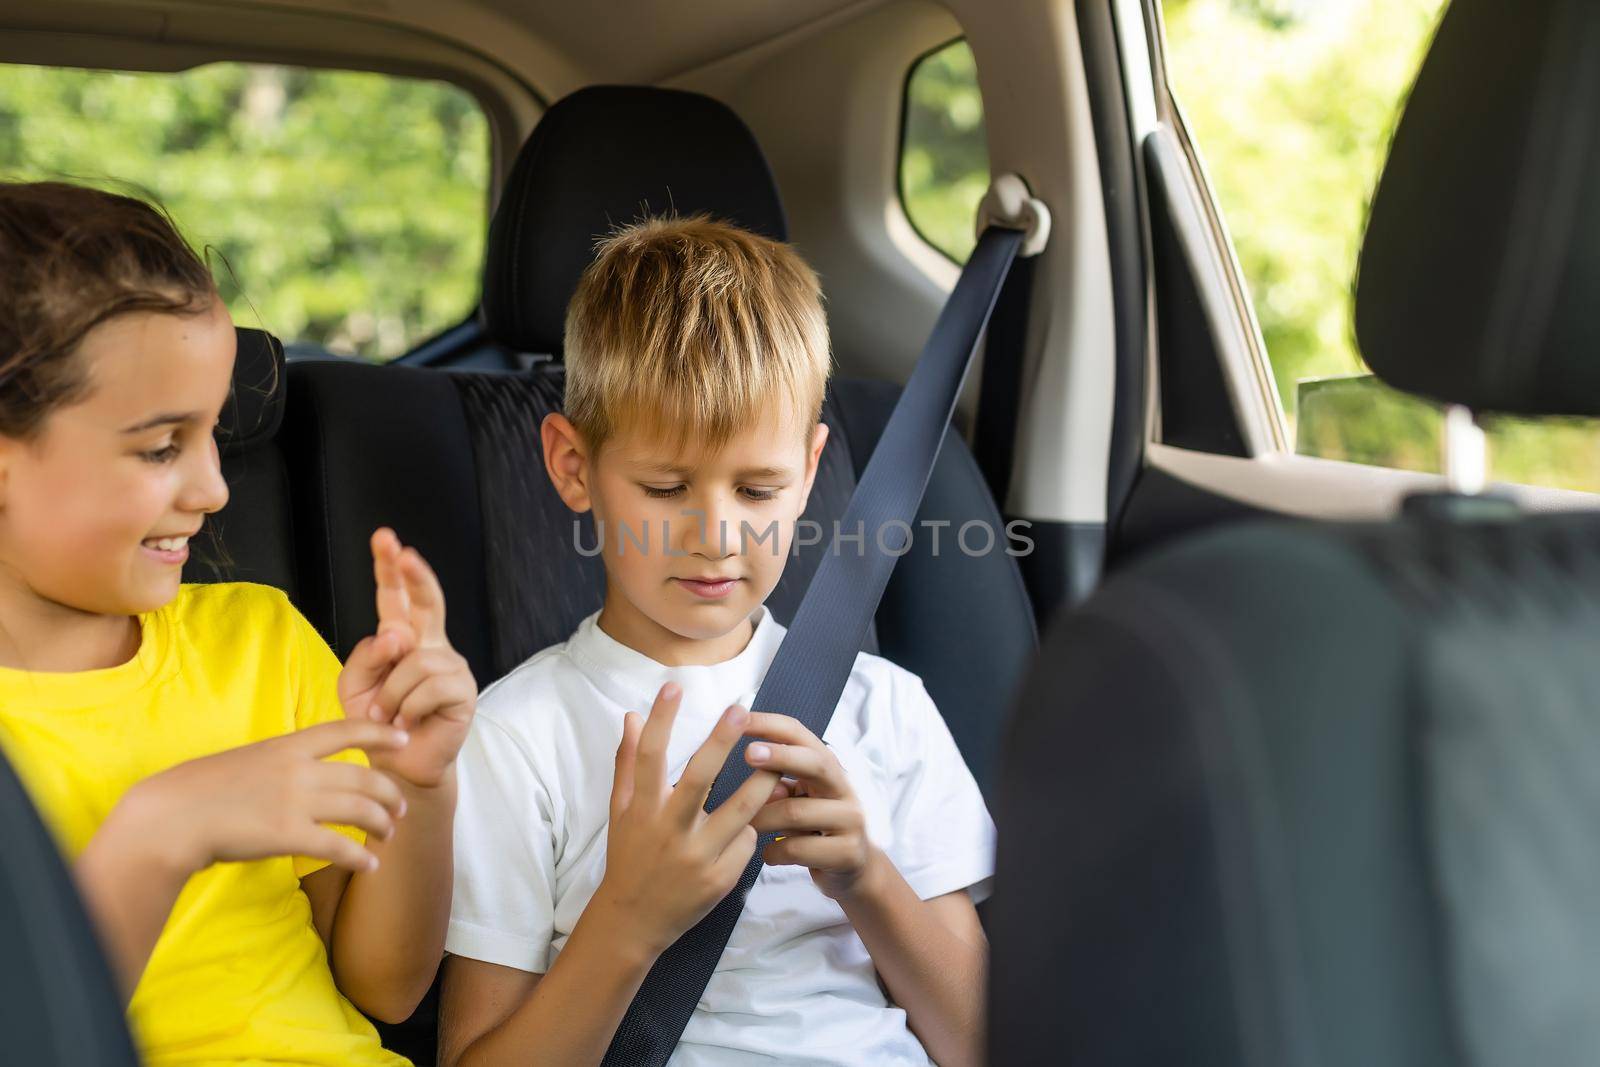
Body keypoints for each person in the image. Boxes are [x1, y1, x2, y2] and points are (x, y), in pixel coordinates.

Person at [440, 216, 992, 1066]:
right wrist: (628, 918)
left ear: (810, 471)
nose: (718, 534)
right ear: (572, 466)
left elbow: (982, 1040)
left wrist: (865, 879)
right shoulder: (516, 736)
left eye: (760, 487)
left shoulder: (882, 707)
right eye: (666, 487)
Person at [0, 180, 476, 1066]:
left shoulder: (260, 639)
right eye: (159, 446)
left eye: (215, 433)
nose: (216, 488)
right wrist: (160, 833)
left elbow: (385, 987)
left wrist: (416, 783)